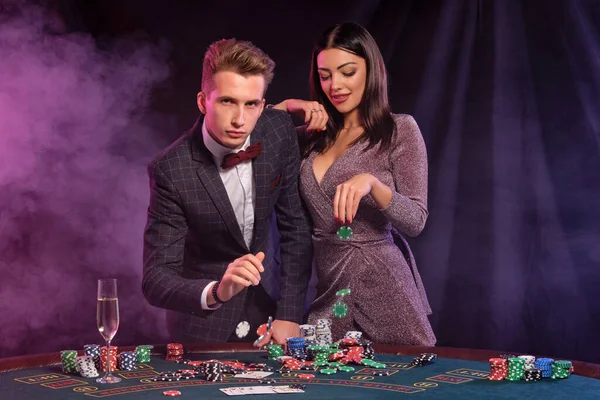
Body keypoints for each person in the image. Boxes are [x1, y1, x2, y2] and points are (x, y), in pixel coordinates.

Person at [274, 22, 436, 345]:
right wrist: (288, 108)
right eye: (325, 75)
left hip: (386, 290)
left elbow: (416, 220)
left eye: (347, 72)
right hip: (329, 292)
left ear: (371, 70)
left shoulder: (399, 130)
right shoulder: (309, 139)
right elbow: (251, 137)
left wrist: (373, 185)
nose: (335, 85)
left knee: (405, 390)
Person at [142, 38, 313, 345]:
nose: (239, 120)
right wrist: (217, 290)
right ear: (202, 101)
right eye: (227, 101)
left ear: (262, 105)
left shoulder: (278, 131)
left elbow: (296, 229)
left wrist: (290, 314)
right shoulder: (170, 169)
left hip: (273, 309)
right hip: (204, 328)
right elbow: (155, 280)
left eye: (251, 104)